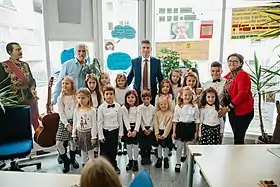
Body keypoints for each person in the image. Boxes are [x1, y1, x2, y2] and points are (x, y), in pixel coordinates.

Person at [0, 42, 39, 131]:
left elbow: (31, 80)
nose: (20, 51)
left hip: (29, 97)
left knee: (35, 119)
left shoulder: (25, 65)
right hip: (15, 100)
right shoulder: (3, 66)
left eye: (20, 49)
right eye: (17, 49)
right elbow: (2, 86)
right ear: (10, 52)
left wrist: (33, 89)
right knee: (21, 124)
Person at [218, 53, 254, 145]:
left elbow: (242, 94)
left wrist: (228, 108)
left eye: (235, 61)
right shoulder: (230, 75)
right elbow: (219, 83)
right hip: (232, 110)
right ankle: (237, 156)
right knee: (236, 135)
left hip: (243, 111)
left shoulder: (243, 75)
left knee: (238, 137)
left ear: (241, 63)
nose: (232, 63)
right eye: (230, 61)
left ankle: (239, 157)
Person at [127, 39, 163, 105]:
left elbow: (160, 77)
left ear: (151, 49)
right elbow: (130, 76)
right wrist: (122, 87)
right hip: (138, 93)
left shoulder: (156, 62)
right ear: (140, 49)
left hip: (151, 93)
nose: (146, 50)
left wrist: (163, 91)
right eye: (143, 47)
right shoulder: (135, 61)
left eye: (148, 48)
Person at [172, 87, 200, 173]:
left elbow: (197, 120)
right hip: (181, 127)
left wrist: (196, 132)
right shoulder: (178, 107)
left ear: (192, 96)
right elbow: (175, 120)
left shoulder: (195, 107)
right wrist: (174, 132)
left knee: (189, 147)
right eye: (185, 95)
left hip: (191, 127)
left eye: (189, 95)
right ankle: (177, 162)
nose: (187, 97)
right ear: (181, 96)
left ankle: (189, 163)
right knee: (179, 147)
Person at [56, 76, 79, 173]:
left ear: (72, 85)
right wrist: (66, 124)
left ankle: (73, 159)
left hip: (75, 121)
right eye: (63, 83)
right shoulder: (60, 98)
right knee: (59, 143)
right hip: (64, 122)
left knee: (72, 142)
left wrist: (74, 124)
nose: (64, 85)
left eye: (67, 83)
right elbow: (61, 112)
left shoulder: (76, 96)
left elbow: (78, 109)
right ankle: (66, 160)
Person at [98, 85, 123, 174]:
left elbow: (120, 120)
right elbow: (99, 122)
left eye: (111, 94)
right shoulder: (101, 108)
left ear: (114, 95)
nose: (109, 96)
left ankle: (113, 165)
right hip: (105, 131)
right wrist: (100, 135)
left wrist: (120, 133)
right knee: (104, 151)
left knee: (113, 150)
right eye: (107, 94)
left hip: (115, 131)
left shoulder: (118, 107)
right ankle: (104, 167)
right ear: (104, 95)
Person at [72, 88, 97, 167]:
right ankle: (84, 164)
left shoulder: (92, 110)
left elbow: (94, 124)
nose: (81, 100)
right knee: (83, 150)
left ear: (88, 98)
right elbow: (75, 122)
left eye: (83, 98)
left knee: (90, 151)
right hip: (80, 133)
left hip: (89, 132)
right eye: (79, 98)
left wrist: (94, 136)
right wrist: (74, 134)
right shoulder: (77, 110)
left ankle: (92, 165)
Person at [121, 90, 140, 172]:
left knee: (135, 146)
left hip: (136, 127)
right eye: (128, 97)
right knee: (128, 145)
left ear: (136, 98)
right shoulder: (124, 108)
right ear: (126, 99)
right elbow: (125, 119)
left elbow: (139, 119)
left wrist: (135, 130)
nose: (130, 99)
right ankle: (130, 160)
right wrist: (129, 130)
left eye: (132, 97)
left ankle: (135, 161)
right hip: (127, 128)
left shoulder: (138, 107)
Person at [153, 96, 173, 169]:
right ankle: (159, 158)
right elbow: (155, 123)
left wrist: (164, 135)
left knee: (166, 146)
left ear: (168, 105)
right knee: (159, 146)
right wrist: (157, 133)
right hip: (159, 131)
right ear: (159, 105)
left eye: (165, 104)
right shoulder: (157, 113)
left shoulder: (170, 114)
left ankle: (166, 158)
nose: (163, 106)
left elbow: (169, 125)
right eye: (161, 104)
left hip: (166, 132)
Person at [138, 90, 156, 165]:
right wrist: (143, 129)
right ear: (141, 99)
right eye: (144, 99)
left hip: (150, 127)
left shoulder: (153, 108)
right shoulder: (139, 107)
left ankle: (148, 157)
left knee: (149, 144)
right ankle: (143, 157)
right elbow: (140, 119)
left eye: (147, 98)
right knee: (142, 144)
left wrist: (151, 128)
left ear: (151, 98)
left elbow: (154, 119)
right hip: (142, 127)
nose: (146, 100)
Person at [115, 73, 129, 156]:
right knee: (118, 127)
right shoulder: (115, 89)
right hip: (117, 110)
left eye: (122, 80)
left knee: (125, 127)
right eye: (119, 80)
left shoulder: (127, 89)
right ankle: (119, 146)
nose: (120, 82)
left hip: (126, 109)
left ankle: (126, 145)